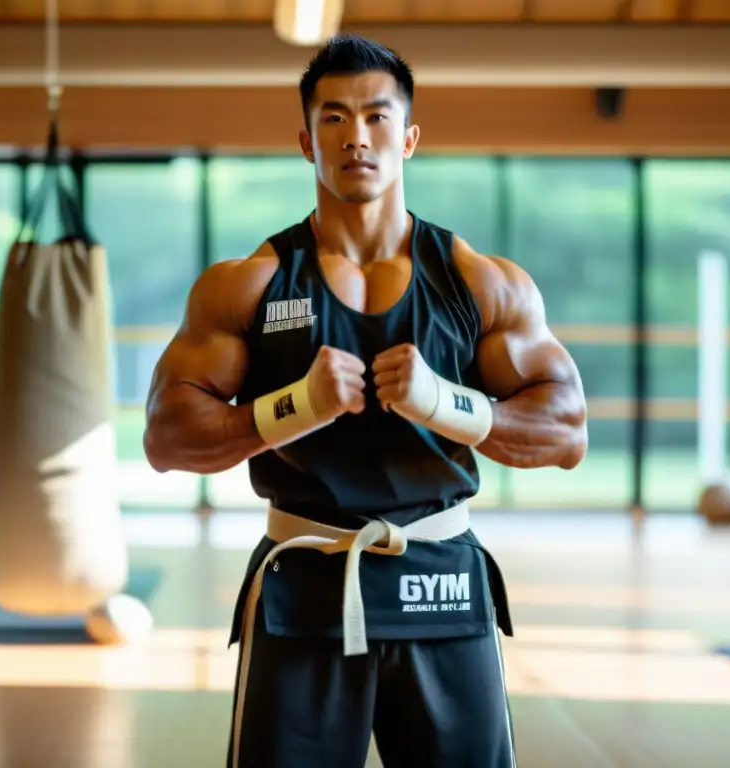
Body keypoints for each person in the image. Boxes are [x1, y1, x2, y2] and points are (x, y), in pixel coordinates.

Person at [143, 33, 588, 768]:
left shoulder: (478, 281)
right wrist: (290, 406)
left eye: (378, 117)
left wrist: (447, 403)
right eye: (335, 119)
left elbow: (567, 430)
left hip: (440, 577)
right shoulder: (250, 284)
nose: (357, 137)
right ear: (306, 140)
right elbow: (166, 436)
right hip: (304, 584)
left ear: (408, 138)